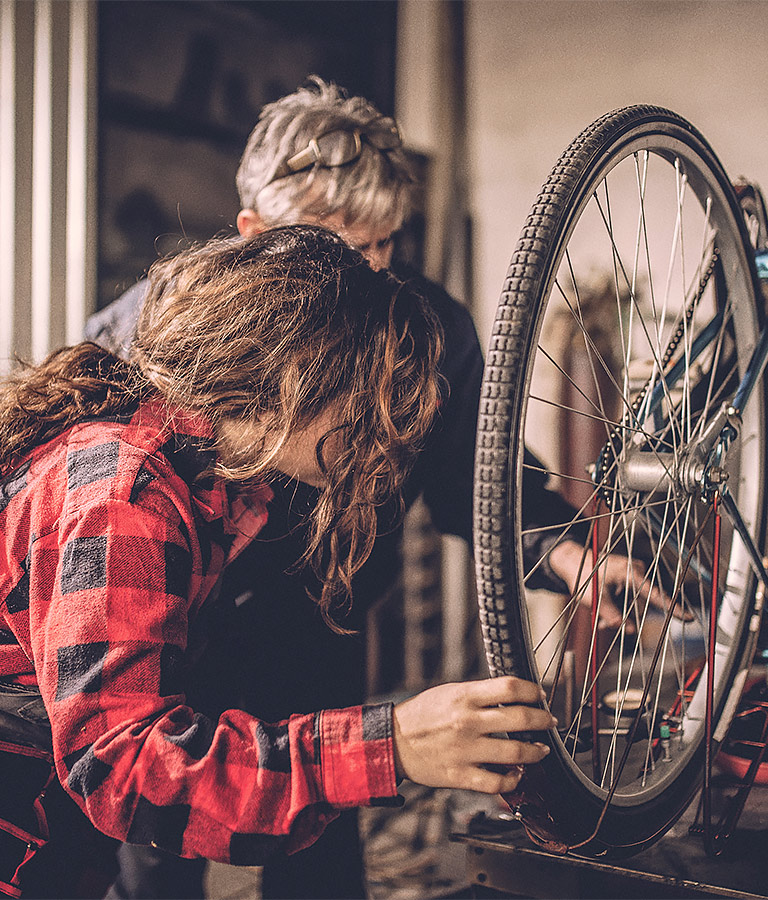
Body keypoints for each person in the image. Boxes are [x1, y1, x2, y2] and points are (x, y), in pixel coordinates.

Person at [85, 79, 660, 899]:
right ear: (251, 232)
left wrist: (567, 552)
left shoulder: (426, 330)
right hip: (180, 628)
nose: (362, 280)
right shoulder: (146, 341)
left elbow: (476, 476)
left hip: (319, 617)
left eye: (379, 249)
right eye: (328, 250)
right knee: (159, 857)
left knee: (317, 855)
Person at [0, 226, 556, 899]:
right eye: (371, 401)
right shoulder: (126, 496)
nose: (387, 438)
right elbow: (124, 771)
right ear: (296, 376)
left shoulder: (223, 481)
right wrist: (395, 744)